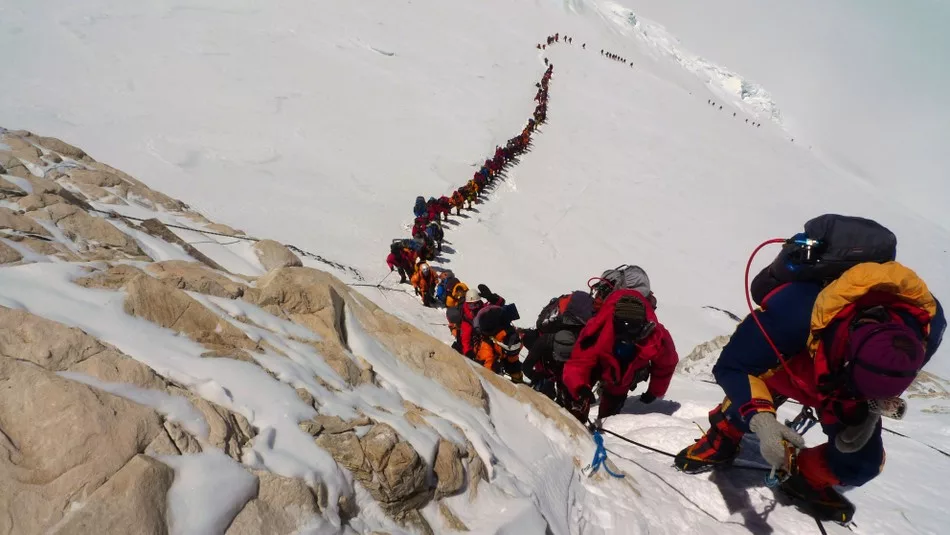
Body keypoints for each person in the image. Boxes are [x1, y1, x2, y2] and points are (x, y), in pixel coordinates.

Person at [674, 219, 946, 523]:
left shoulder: (925, 324)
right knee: (751, 398)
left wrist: (869, 409)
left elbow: (891, 374)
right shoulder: (795, 310)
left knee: (862, 463)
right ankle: (723, 436)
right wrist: (763, 421)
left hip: (844, 389)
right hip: (790, 366)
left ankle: (806, 477)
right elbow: (735, 365)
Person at [562, 289, 679, 425]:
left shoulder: (656, 336)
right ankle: (574, 428)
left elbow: (666, 364)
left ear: (642, 325)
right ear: (614, 321)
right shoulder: (597, 329)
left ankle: (604, 426)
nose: (626, 335)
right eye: (622, 328)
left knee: (610, 411)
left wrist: (655, 391)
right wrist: (579, 387)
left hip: (624, 376)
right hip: (601, 364)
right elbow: (578, 363)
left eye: (632, 329)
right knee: (576, 402)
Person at [523, 291, 595, 404]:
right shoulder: (545, 340)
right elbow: (527, 366)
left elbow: (526, 366)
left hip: (553, 366)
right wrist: (536, 376)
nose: (559, 359)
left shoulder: (549, 339)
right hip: (547, 365)